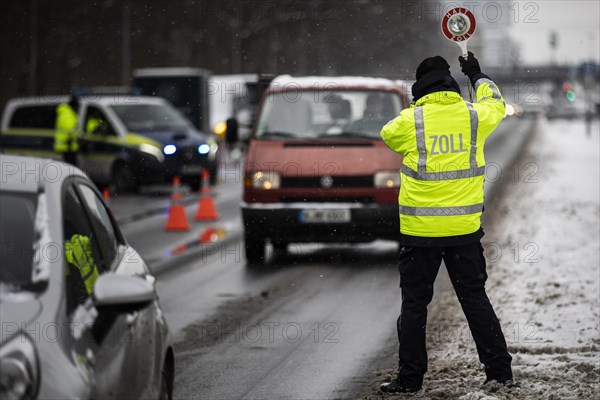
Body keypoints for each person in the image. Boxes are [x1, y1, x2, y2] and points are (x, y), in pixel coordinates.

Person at [379, 52, 514, 394]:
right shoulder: (473, 117)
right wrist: (478, 76)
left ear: (419, 89)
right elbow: (495, 103)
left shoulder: (412, 121)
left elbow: (387, 133)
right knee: (474, 299)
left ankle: (409, 380)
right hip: (464, 233)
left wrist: (415, 110)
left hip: (420, 233)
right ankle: (499, 372)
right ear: (452, 83)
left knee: (414, 306)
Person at [55, 97, 80, 166]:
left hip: (67, 146)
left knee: (69, 166)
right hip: (68, 146)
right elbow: (71, 130)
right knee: (72, 167)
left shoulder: (65, 113)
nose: (78, 109)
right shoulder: (68, 114)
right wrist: (79, 137)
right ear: (74, 106)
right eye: (77, 107)